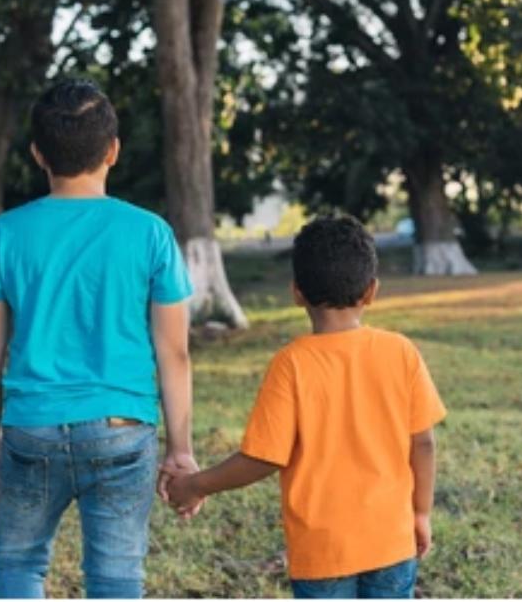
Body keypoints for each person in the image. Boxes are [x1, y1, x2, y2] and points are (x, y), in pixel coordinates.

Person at [0, 78, 199, 598]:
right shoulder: (151, 233)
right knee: (116, 579)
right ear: (113, 150)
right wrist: (180, 449)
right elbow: (174, 352)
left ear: (37, 154)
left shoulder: (3, 234)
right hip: (122, 428)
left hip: (30, 430)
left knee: (20, 566)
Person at [166, 216, 447, 599]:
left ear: (297, 292)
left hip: (322, 553)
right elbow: (424, 445)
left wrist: (197, 485)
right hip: (392, 544)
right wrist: (421, 513)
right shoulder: (401, 352)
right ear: (371, 291)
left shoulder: (291, 364)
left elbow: (263, 458)